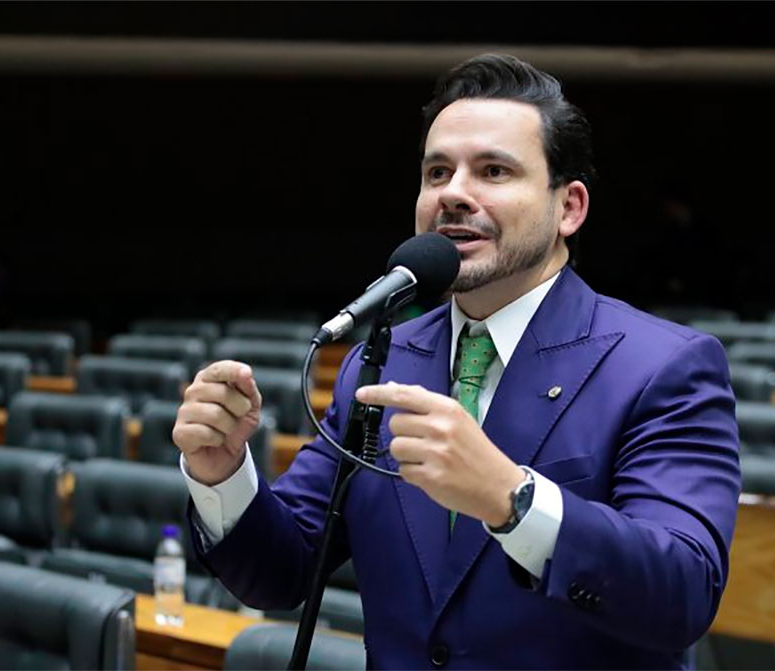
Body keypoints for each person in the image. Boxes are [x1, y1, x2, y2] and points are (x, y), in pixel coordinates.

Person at [173, 53, 741, 669]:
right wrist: (222, 472)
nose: (454, 195)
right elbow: (282, 573)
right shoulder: (383, 361)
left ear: (569, 208)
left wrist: (513, 498)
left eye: (494, 171)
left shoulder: (664, 366)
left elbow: (683, 591)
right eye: (437, 172)